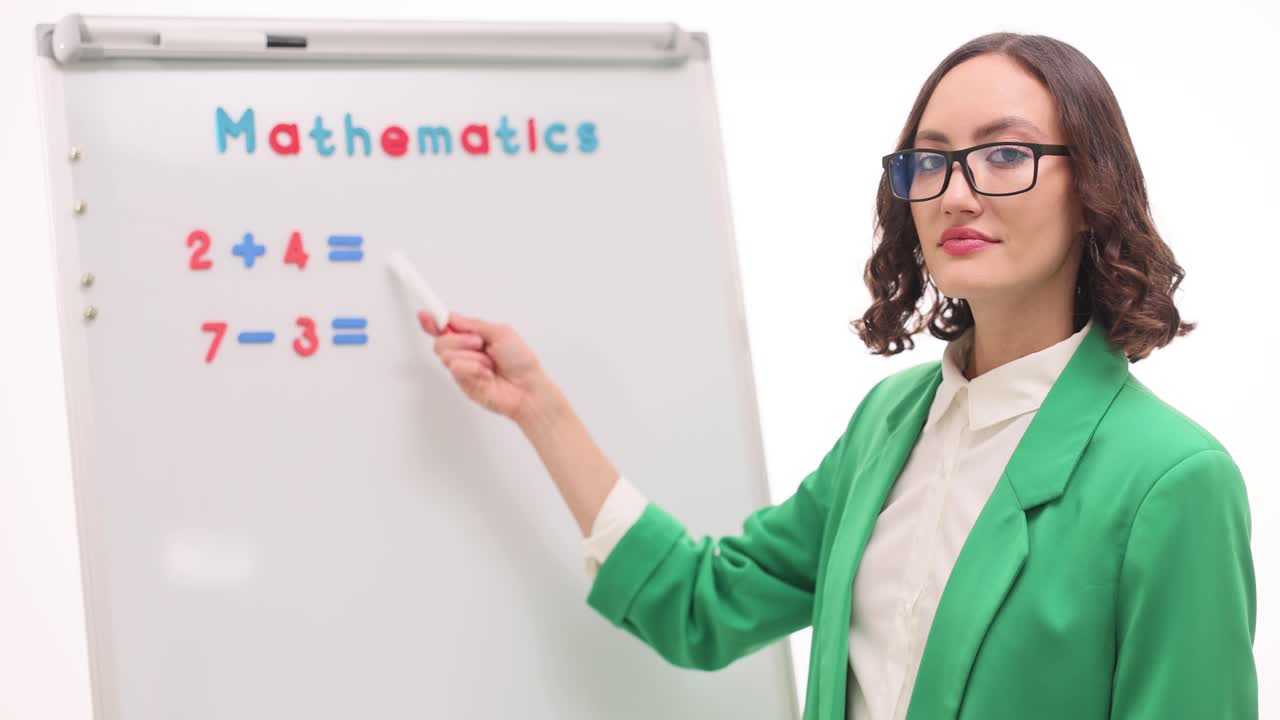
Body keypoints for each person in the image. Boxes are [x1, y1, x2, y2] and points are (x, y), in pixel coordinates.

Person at [417, 32, 1257, 720]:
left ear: (1092, 188)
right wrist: (541, 411)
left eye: (1004, 154)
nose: (956, 193)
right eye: (929, 162)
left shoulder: (1171, 481)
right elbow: (705, 605)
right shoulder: (890, 425)